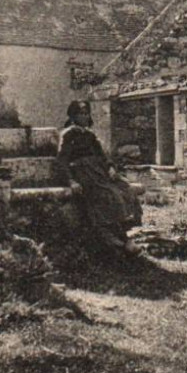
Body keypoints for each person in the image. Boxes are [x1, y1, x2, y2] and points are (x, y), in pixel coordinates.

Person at [57, 100, 142, 256]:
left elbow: (102, 155)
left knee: (125, 188)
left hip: (99, 171)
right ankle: (113, 237)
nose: (84, 116)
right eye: (80, 114)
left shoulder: (90, 135)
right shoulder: (68, 134)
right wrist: (71, 180)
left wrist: (110, 166)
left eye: (86, 113)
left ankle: (124, 233)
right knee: (109, 195)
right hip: (83, 173)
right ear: (73, 116)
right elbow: (62, 160)